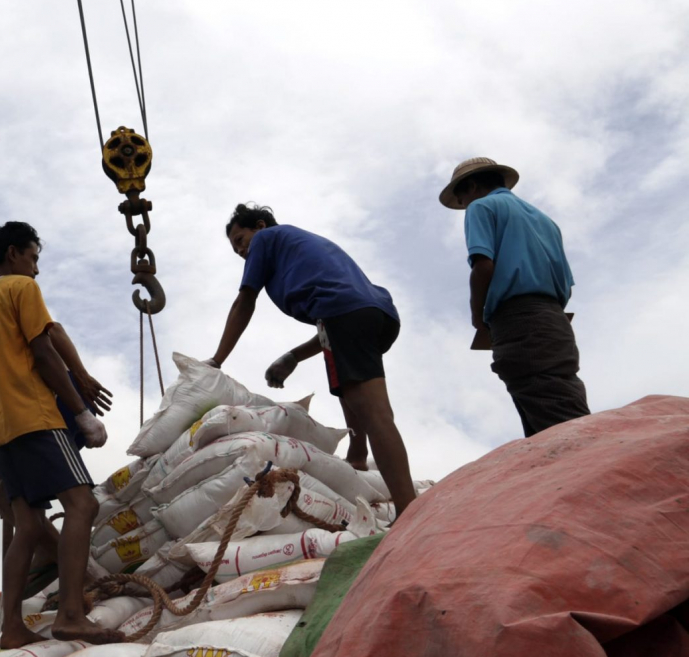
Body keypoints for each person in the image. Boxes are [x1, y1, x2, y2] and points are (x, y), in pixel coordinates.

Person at [0, 221, 110, 649]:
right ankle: (72, 614)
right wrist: (80, 412)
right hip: (37, 419)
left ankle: (11, 628)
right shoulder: (20, 290)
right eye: (33, 258)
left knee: (26, 525)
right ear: (13, 254)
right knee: (84, 504)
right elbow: (44, 349)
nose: (36, 270)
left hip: (1, 430)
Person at [209, 203, 416, 517]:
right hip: (376, 313)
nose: (240, 249)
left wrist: (217, 359)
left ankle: (408, 510)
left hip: (345, 315)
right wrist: (293, 357)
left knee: (376, 415)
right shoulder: (298, 244)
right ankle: (357, 455)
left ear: (260, 226)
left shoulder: (266, 240)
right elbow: (333, 324)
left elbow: (245, 301)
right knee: (348, 384)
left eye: (240, 239)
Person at [0, 304, 110, 597]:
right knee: (15, 504)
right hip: (30, 416)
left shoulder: (6, 320)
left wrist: (81, 377)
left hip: (52, 405)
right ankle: (54, 555)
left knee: (67, 504)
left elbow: (55, 332)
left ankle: (78, 574)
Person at [440, 156, 589, 437]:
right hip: (554, 320)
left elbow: (483, 264)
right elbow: (567, 286)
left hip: (519, 319)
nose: (464, 208)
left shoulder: (482, 207)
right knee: (562, 399)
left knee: (552, 415)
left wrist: (478, 317)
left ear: (471, 186)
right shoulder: (546, 221)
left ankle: (592, 471)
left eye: (462, 201)